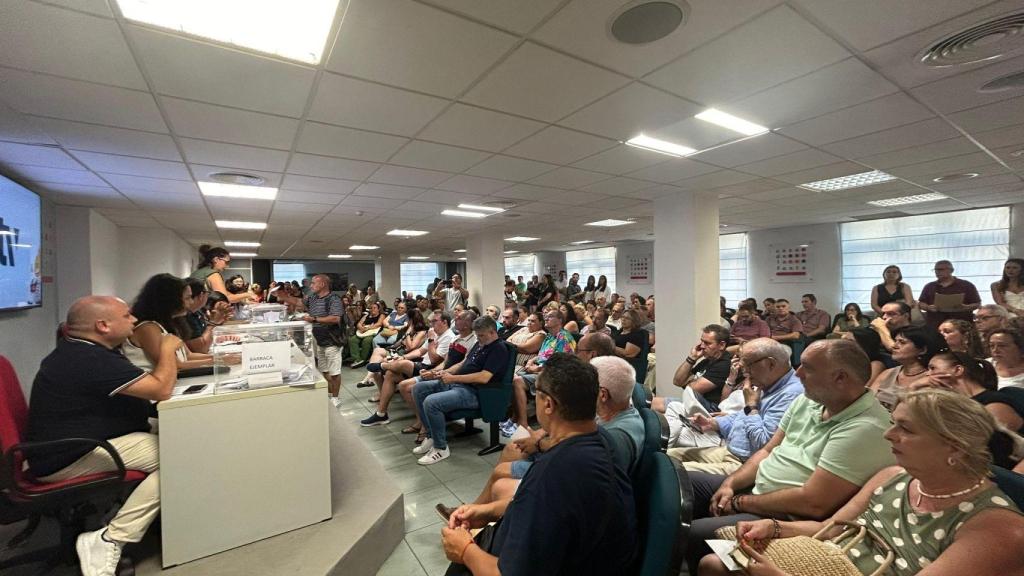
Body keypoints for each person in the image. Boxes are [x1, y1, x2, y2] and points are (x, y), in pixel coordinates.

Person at [697, 388, 1024, 576]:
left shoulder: (998, 528)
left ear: (953, 446)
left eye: (905, 429)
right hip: (835, 560)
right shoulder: (894, 477)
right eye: (893, 423)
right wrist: (775, 526)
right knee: (714, 563)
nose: (887, 434)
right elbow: (834, 527)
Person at [684, 339, 896, 572]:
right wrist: (731, 483)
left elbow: (813, 503)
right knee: (678, 483)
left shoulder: (866, 428)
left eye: (808, 368)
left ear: (840, 378)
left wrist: (740, 502)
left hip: (788, 515)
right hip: (758, 488)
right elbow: (767, 450)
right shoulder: (809, 400)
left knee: (694, 533)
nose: (798, 373)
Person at [440, 354, 638, 575]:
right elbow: (549, 512)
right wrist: (487, 511)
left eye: (537, 393)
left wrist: (464, 549)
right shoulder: (601, 440)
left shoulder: (554, 474)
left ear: (548, 404)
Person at [26, 296, 180, 576]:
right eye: (126, 316)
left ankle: (120, 514)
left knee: (180, 438)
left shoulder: (79, 350)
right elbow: (160, 390)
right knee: (182, 456)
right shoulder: (90, 359)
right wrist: (167, 348)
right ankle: (111, 538)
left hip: (68, 444)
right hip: (70, 455)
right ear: (103, 325)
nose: (134, 320)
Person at [668, 338, 804, 476]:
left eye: (748, 365)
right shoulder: (769, 383)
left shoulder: (790, 395)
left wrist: (751, 406)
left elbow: (763, 445)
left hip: (745, 464)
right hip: (731, 450)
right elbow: (742, 416)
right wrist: (713, 423)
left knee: (668, 469)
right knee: (667, 455)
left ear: (770, 364)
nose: (745, 372)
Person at [412, 316, 509, 464]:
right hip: (459, 384)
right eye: (477, 335)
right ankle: (432, 436)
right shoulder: (480, 344)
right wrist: (445, 373)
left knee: (431, 402)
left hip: (477, 393)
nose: (479, 339)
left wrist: (453, 379)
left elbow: (484, 377)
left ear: (492, 332)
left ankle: (441, 448)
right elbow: (463, 363)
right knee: (419, 388)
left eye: (482, 335)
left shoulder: (498, 349)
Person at [358, 309, 431, 426]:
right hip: (403, 355)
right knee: (379, 355)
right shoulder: (430, 335)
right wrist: (392, 350)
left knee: (384, 367)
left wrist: (407, 333)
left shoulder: (423, 332)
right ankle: (381, 412)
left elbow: (411, 348)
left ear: (412, 321)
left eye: (408, 320)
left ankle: (376, 371)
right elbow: (402, 346)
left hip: (416, 362)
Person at [124, 274, 212, 370]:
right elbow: (174, 365)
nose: (191, 302)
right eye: (187, 298)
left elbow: (188, 355)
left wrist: (219, 358)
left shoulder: (171, 323)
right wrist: (216, 361)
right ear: (170, 300)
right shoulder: (147, 328)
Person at [927, 350, 1024, 435]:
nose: (928, 374)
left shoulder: (994, 404)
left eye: (933, 368)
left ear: (958, 370)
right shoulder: (957, 403)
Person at [509, 309, 576, 429]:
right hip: (540, 369)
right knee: (509, 376)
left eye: (550, 316)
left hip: (553, 374)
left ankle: (522, 423)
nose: (546, 318)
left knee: (517, 382)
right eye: (545, 316)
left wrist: (537, 369)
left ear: (560, 320)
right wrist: (531, 361)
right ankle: (514, 417)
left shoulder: (564, 337)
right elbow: (541, 355)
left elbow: (560, 363)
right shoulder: (550, 336)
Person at [653, 324, 733, 414]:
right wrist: (692, 358)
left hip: (707, 409)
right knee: (650, 402)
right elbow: (677, 381)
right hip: (693, 403)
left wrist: (688, 382)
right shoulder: (707, 361)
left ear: (721, 345)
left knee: (654, 407)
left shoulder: (724, 364)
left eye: (707, 343)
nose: (702, 346)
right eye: (702, 341)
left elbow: (691, 390)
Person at [294, 274, 345, 405]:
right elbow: (298, 303)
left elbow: (335, 318)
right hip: (320, 340)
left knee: (334, 372)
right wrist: (283, 296)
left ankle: (335, 397)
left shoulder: (334, 299)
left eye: (313, 283)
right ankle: (328, 393)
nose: (310, 286)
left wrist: (314, 319)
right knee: (324, 370)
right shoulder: (313, 298)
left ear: (322, 284)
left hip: (332, 341)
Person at [870, 326, 940, 411]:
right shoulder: (888, 373)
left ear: (923, 350)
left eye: (902, 342)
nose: (894, 346)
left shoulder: (932, 378)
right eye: (895, 341)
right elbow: (868, 401)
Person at [919, 259, 982, 329]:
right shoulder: (929, 286)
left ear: (951, 270)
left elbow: (977, 304)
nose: (937, 272)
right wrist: (928, 307)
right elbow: (921, 303)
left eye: (941, 269)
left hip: (961, 324)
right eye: (936, 270)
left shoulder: (966, 285)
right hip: (935, 324)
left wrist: (965, 307)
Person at [182, 278, 230, 354]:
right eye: (188, 298)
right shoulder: (186, 316)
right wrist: (213, 323)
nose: (191, 301)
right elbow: (200, 350)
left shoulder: (197, 312)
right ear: (201, 295)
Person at [347, 301, 385, 368]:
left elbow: (379, 324)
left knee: (367, 340)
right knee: (353, 339)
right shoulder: (366, 315)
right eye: (371, 308)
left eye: (374, 308)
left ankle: (363, 359)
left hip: (372, 332)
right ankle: (357, 359)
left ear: (378, 309)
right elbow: (359, 323)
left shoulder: (381, 315)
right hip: (362, 332)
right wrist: (361, 327)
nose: (372, 309)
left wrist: (367, 328)